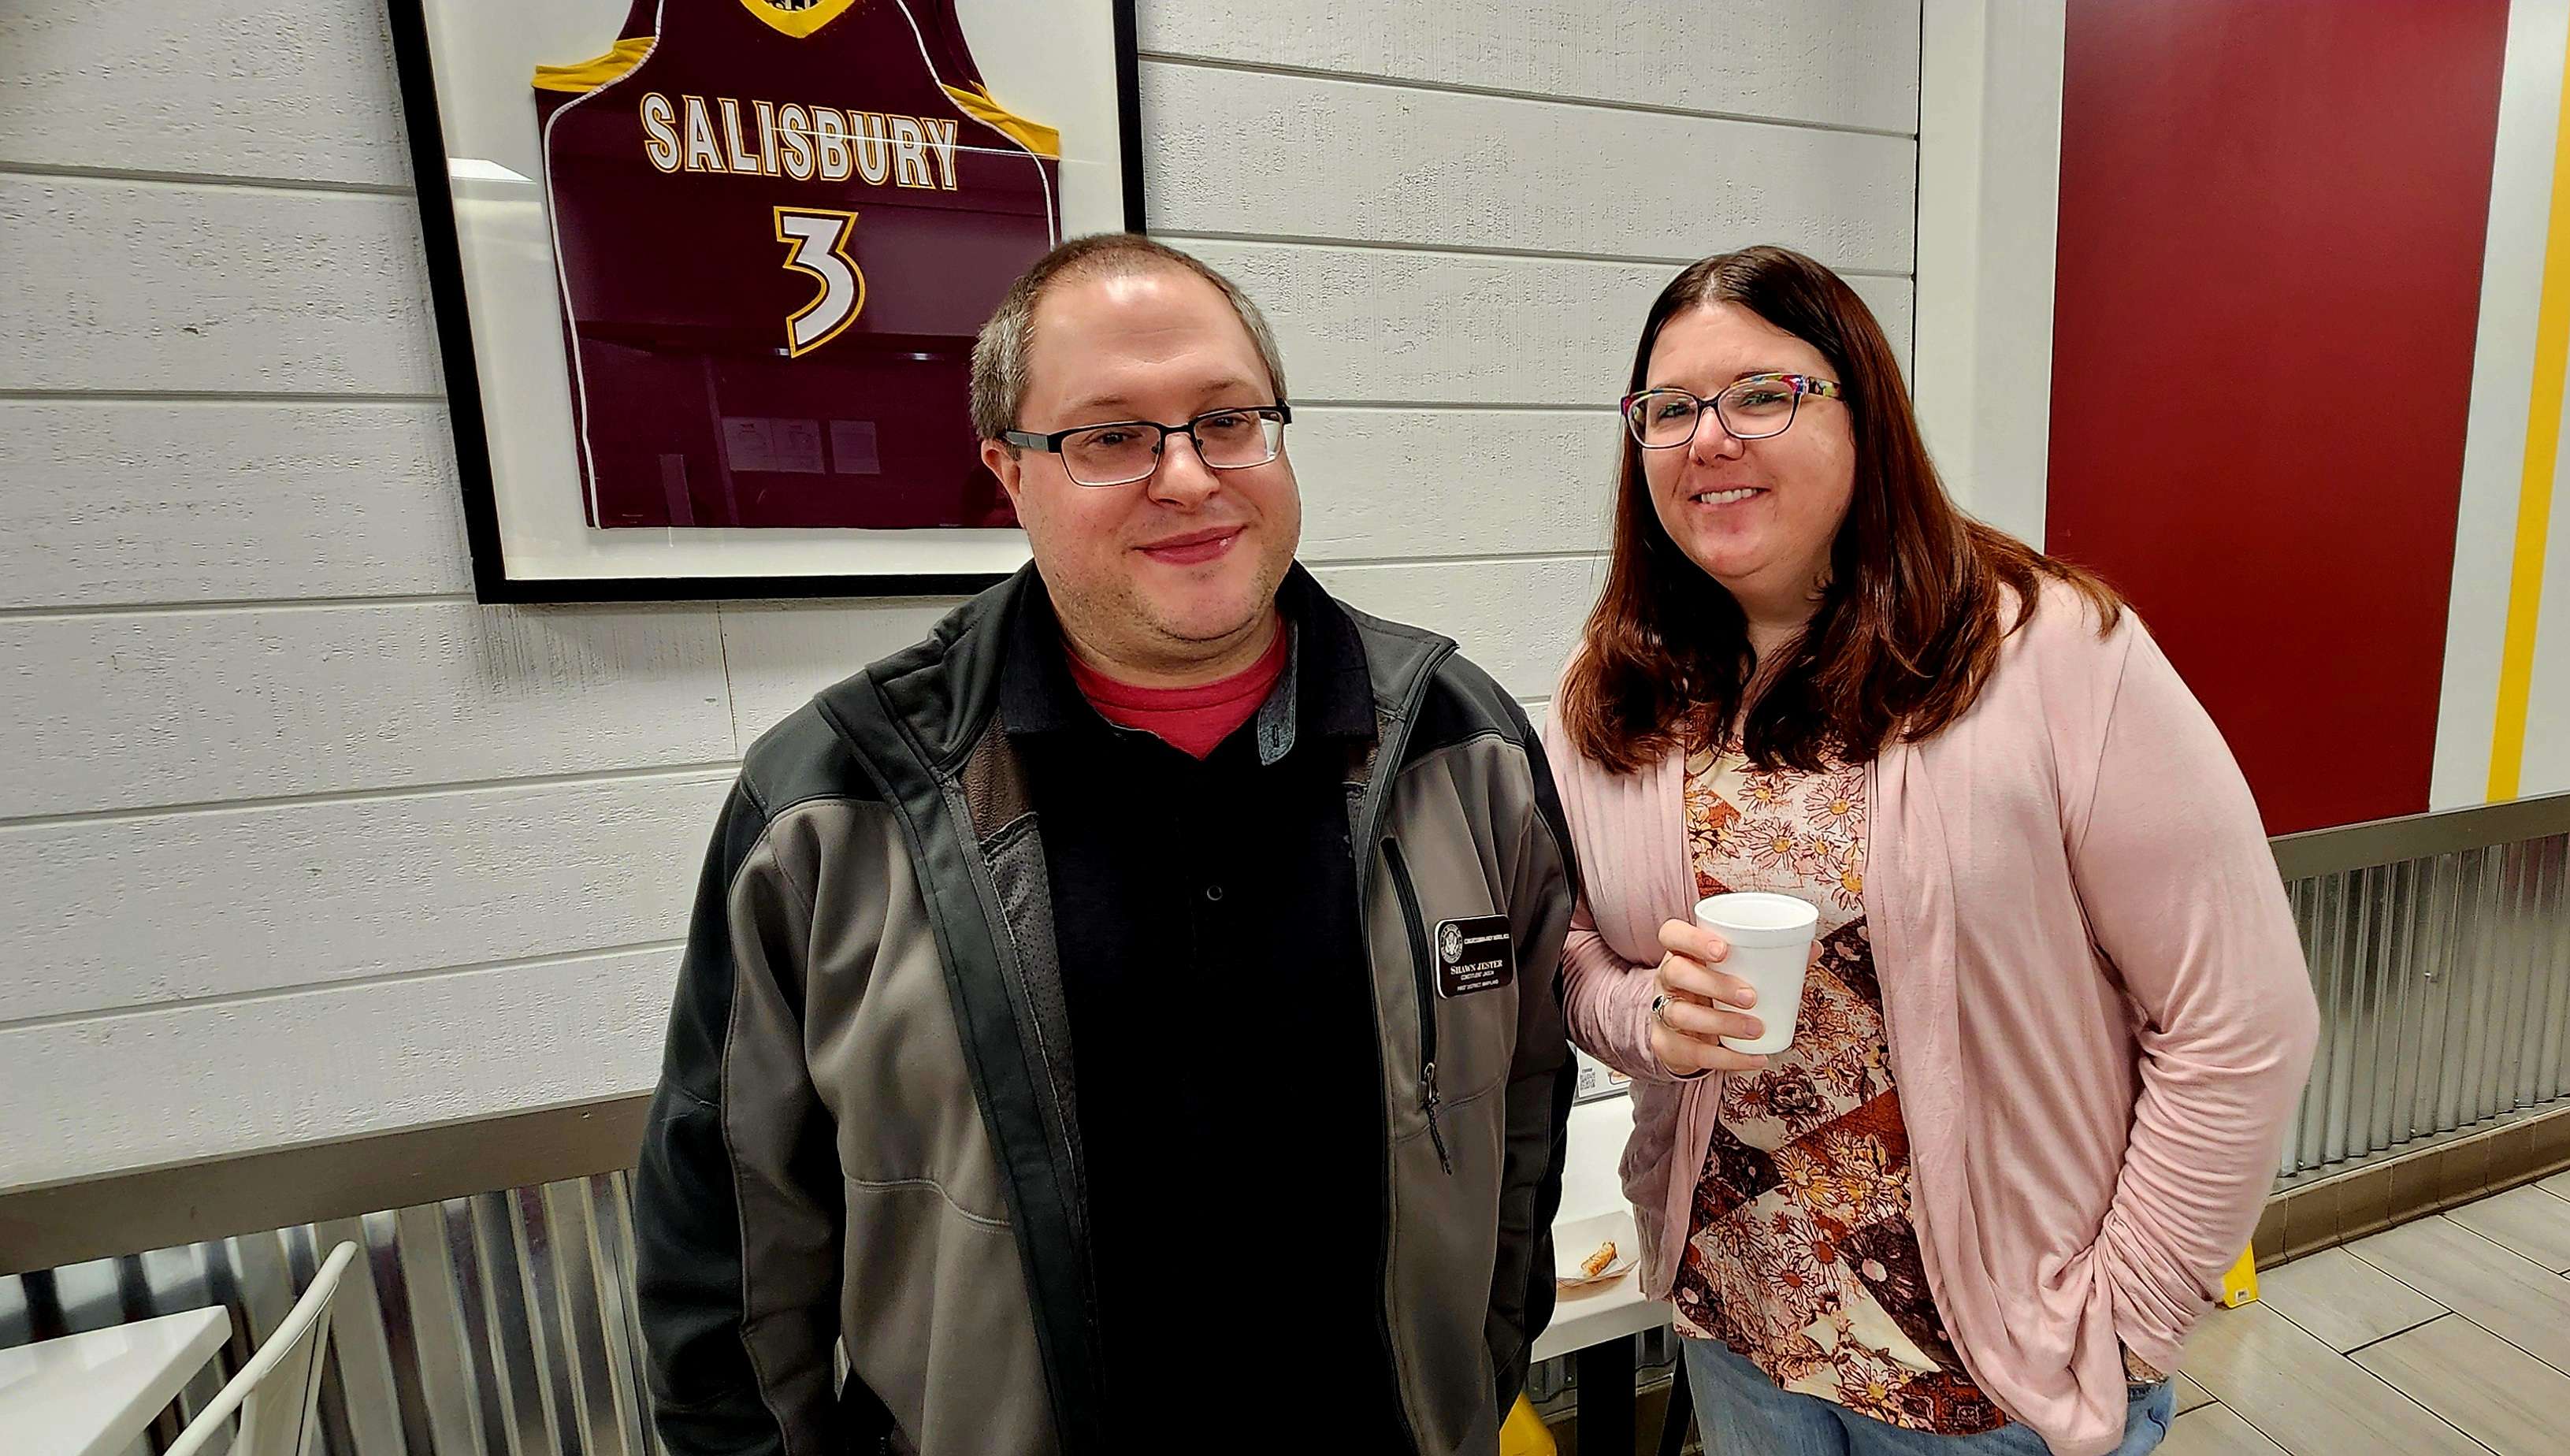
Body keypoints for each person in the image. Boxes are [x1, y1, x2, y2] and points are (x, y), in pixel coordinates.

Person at [632, 233, 1580, 1455]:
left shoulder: (1462, 747)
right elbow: (730, 1240)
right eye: (1112, 436)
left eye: (1227, 421)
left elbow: (1522, 1123)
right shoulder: (836, 808)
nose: (1187, 477)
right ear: (1008, 471)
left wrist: (1469, 1390)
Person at [1546, 246, 2320, 1456]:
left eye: (1764, 394)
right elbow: (1571, 954)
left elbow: (2241, 1018)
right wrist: (1649, 1020)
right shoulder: (1620, 691)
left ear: (1865, 412)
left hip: (1997, 1377)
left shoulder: (2046, 651)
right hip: (1742, 1331)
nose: (1711, 438)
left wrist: (2127, 1320)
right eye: (1672, 408)